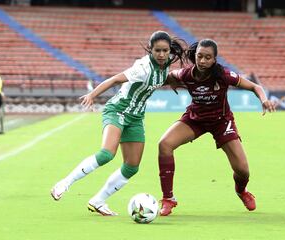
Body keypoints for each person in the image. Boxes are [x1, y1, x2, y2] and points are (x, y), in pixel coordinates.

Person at [50, 31, 186, 216]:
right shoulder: (143, 67)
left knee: (131, 167)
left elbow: (165, 77)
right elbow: (115, 79)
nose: (161, 55)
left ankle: (98, 201)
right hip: (117, 110)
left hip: (136, 117)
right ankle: (64, 183)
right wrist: (92, 95)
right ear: (150, 50)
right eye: (157, 51)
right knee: (106, 154)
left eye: (165, 51)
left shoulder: (165, 65)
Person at [158, 39, 278, 216]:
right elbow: (166, 77)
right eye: (200, 56)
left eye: (208, 57)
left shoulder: (224, 75)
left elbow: (255, 86)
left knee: (243, 170)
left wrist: (264, 100)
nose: (203, 61)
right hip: (195, 119)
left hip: (221, 122)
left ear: (214, 59)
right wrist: (169, 81)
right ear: (195, 56)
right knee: (164, 144)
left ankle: (241, 191)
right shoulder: (186, 74)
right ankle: (168, 199)